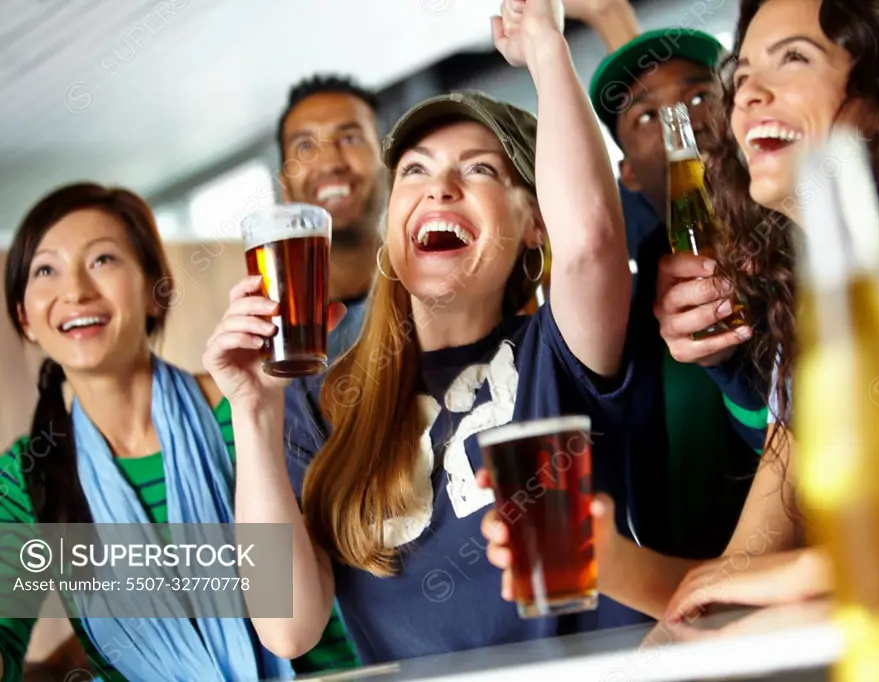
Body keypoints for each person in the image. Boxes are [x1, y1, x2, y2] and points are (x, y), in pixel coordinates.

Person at [484, 0, 879, 623]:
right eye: (740, 78)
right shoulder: (811, 341)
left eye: (793, 58)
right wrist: (604, 557)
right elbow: (736, 582)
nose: (749, 96)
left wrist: (815, 566)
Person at [204, 0, 649, 665]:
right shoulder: (319, 392)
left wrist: (546, 48)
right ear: (392, 220)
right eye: (414, 170)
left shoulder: (558, 351)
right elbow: (286, 629)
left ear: (534, 221)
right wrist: (252, 411)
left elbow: (588, 240)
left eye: (479, 169)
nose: (439, 188)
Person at [0, 184, 358, 681]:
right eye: (45, 269)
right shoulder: (23, 477)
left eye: (102, 259)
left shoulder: (252, 404)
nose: (75, 291)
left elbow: (292, 628)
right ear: (25, 317)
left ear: (155, 289)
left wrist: (256, 411)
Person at [586, 25, 767, 560]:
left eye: (699, 97)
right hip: (693, 595)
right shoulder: (626, 307)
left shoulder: (804, 234)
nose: (681, 123)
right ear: (627, 176)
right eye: (648, 117)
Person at [275, 74, 386, 358]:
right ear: (284, 185)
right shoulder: (276, 339)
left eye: (350, 138)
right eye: (305, 146)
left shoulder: (443, 294)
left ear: (388, 163)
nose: (329, 163)